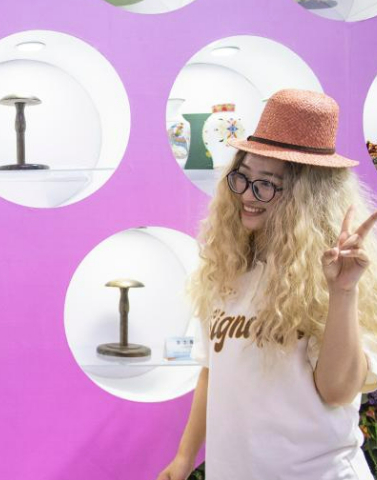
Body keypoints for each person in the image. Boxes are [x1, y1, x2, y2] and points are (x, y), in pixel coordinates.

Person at [157, 89, 377, 480]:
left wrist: (343, 292)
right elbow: (215, 371)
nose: (246, 195)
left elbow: (339, 392)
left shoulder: (337, 270)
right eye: (242, 177)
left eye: (267, 184)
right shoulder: (228, 268)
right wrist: (184, 456)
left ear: (307, 197)